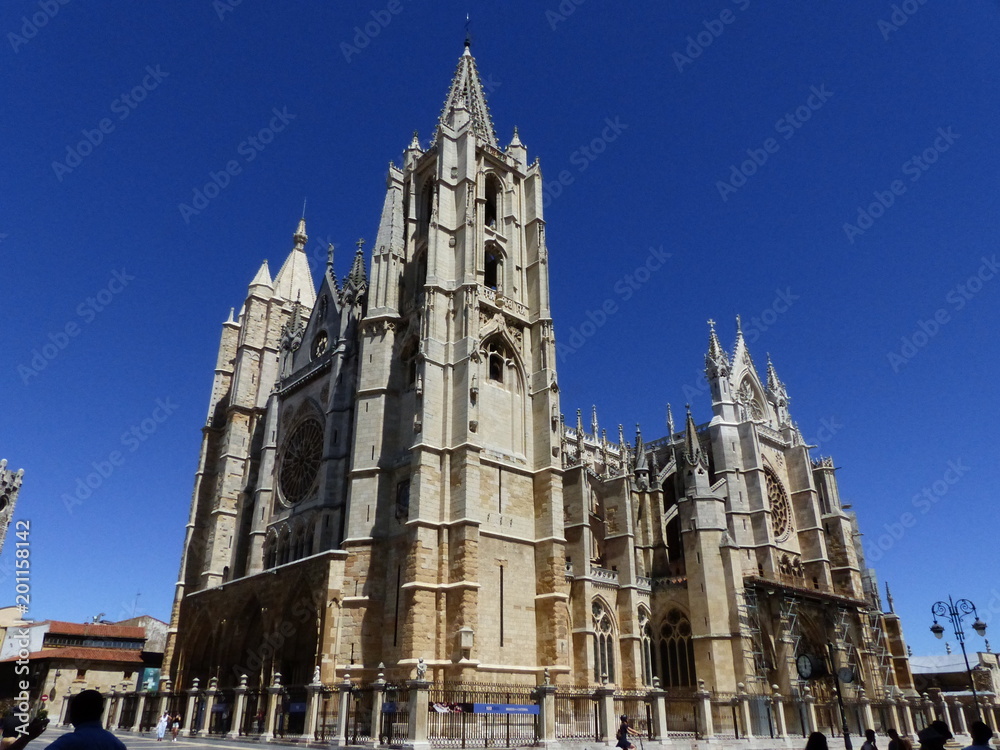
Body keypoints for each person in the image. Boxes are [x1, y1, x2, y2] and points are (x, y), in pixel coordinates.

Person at [40, 690, 126, 750]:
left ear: (73, 712)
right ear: (102, 711)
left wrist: (27, 738)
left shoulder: (68, 742)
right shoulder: (117, 744)